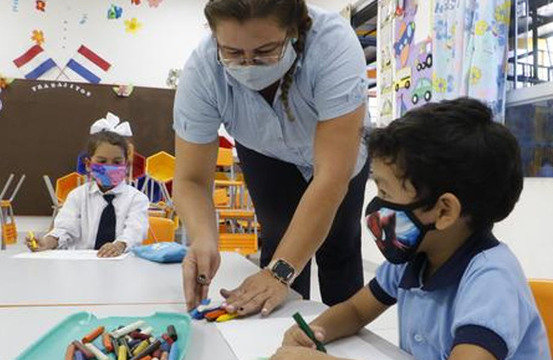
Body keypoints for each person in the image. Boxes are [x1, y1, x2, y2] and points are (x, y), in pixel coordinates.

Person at [272, 98, 551, 360]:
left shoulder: (492, 280)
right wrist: (314, 331)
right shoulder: (415, 256)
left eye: (386, 192)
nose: (378, 205)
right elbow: (356, 310)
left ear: (444, 211)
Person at [174, 0, 370, 315]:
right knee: (279, 241)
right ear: (215, 38)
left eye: (266, 51)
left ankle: (344, 333)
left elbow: (331, 177)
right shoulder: (202, 70)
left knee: (338, 244)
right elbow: (190, 179)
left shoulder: (332, 44)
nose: (249, 65)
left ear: (293, 30)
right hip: (265, 149)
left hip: (340, 155)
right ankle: (275, 332)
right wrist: (202, 238)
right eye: (233, 54)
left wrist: (281, 271)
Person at [26, 118, 149, 258]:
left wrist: (119, 245)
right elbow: (65, 228)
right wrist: (47, 242)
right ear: (88, 164)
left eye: (117, 162)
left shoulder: (137, 199)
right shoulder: (77, 196)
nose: (109, 167)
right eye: (102, 161)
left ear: (126, 165)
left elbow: (135, 231)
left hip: (122, 264)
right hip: (82, 266)